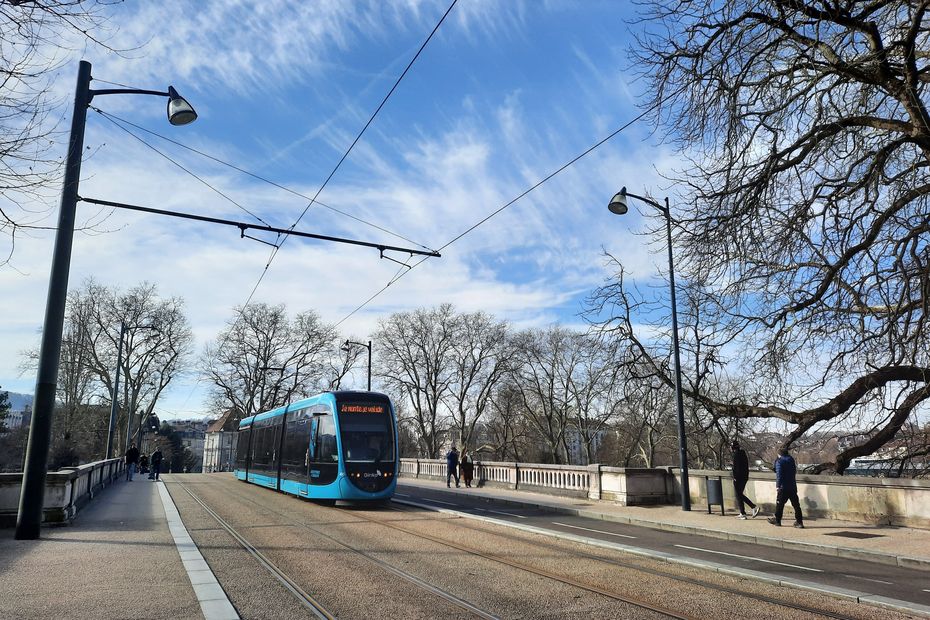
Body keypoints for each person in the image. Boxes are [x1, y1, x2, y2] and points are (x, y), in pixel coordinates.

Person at [768, 447, 804, 528]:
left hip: (783, 487)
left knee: (779, 504)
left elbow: (779, 475)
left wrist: (778, 485)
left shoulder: (779, 462)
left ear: (779, 454)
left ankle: (777, 521)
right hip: (792, 486)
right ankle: (799, 522)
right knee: (796, 505)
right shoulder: (791, 460)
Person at [731, 440, 759, 519]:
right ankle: (742, 512)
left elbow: (737, 468)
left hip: (739, 478)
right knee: (739, 495)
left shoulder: (736, 455)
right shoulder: (743, 454)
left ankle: (752, 507)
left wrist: (735, 477)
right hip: (744, 477)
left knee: (739, 494)